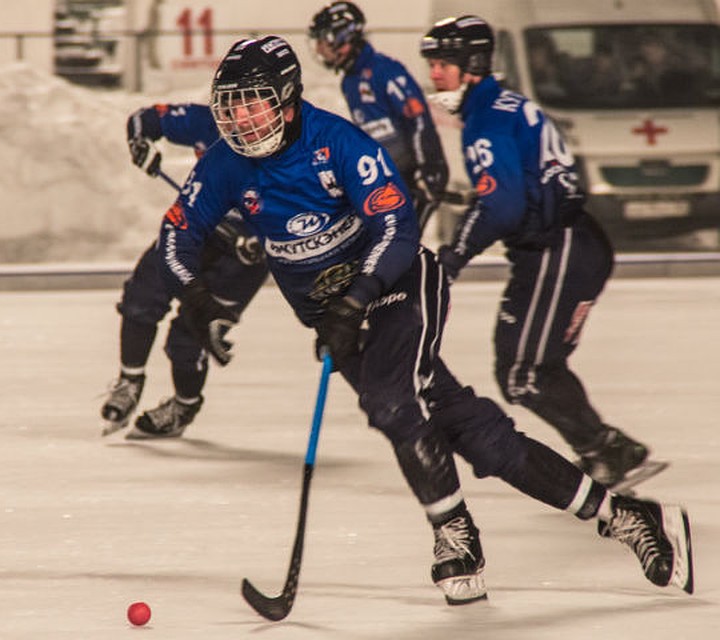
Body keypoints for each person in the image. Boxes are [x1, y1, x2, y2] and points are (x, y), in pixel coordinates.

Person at [154, 34, 693, 605]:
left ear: (287, 100)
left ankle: (453, 532)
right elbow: (176, 235)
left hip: (398, 286)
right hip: (334, 316)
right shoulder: (224, 163)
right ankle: (626, 516)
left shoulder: (337, 142)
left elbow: (397, 230)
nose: (240, 119)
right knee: (476, 437)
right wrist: (195, 297)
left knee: (391, 402)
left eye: (253, 102)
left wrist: (356, 299)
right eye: (230, 105)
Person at [420, 15, 659, 491]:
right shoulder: (504, 107)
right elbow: (513, 189)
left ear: (472, 65)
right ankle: (607, 450)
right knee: (530, 369)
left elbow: (502, 204)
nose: (434, 75)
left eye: (443, 64)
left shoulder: (486, 119)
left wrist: (455, 254)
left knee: (523, 373)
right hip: (568, 244)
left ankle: (607, 450)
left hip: (558, 248)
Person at [99, 102, 269, 439]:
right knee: (142, 296)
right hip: (194, 231)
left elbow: (314, 206)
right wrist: (140, 142)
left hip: (242, 259)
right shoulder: (206, 121)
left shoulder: (290, 145)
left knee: (192, 333)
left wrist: (265, 236)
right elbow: (142, 120)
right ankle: (129, 380)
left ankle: (185, 404)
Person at [308, 1, 448, 226]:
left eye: (323, 41)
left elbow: (419, 120)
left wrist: (429, 168)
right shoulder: (350, 81)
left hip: (413, 178)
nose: (319, 49)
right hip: (386, 179)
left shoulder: (385, 70)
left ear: (342, 38)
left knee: (400, 244)